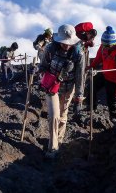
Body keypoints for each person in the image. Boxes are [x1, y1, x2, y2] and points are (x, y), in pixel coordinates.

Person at [37, 24, 85, 158]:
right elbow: (43, 66)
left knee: (63, 116)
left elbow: (80, 76)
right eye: (64, 43)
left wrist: (79, 96)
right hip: (52, 87)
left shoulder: (78, 53)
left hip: (68, 88)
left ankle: (59, 140)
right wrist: (42, 74)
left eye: (69, 43)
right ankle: (53, 148)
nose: (67, 45)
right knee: (54, 116)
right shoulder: (50, 49)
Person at [87, 26, 116, 126]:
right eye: (104, 44)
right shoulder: (103, 46)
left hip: (115, 80)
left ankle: (114, 118)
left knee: (112, 99)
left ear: (114, 43)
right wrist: (91, 66)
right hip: (105, 74)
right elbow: (99, 57)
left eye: (107, 45)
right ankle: (91, 108)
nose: (105, 47)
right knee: (91, 86)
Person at [74, 22, 97, 110]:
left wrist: (87, 43)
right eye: (91, 37)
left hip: (84, 54)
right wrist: (86, 43)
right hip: (80, 56)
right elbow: (78, 47)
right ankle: (78, 102)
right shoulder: (80, 37)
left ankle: (78, 99)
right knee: (81, 77)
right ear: (87, 33)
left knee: (82, 76)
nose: (92, 39)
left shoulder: (84, 34)